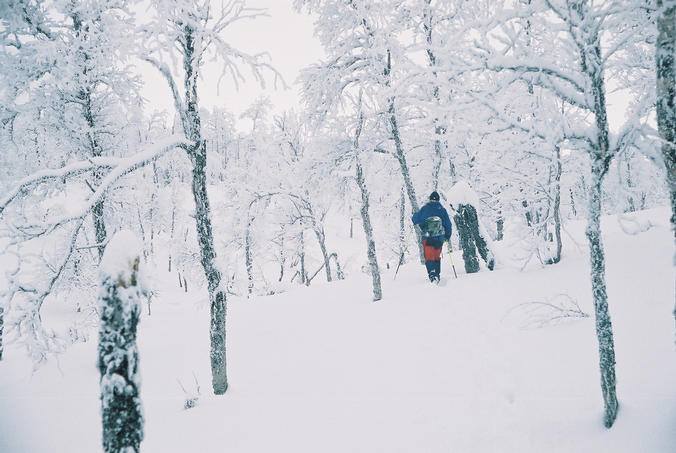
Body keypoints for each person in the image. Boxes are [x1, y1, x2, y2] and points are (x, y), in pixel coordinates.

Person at [412, 191, 452, 283]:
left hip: (427, 237)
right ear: (438, 200)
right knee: (436, 256)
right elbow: (448, 224)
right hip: (439, 237)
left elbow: (415, 219)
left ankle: (432, 274)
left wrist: (414, 215)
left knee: (429, 256)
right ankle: (437, 274)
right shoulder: (442, 210)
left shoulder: (425, 209)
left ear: (430, 199)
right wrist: (447, 236)